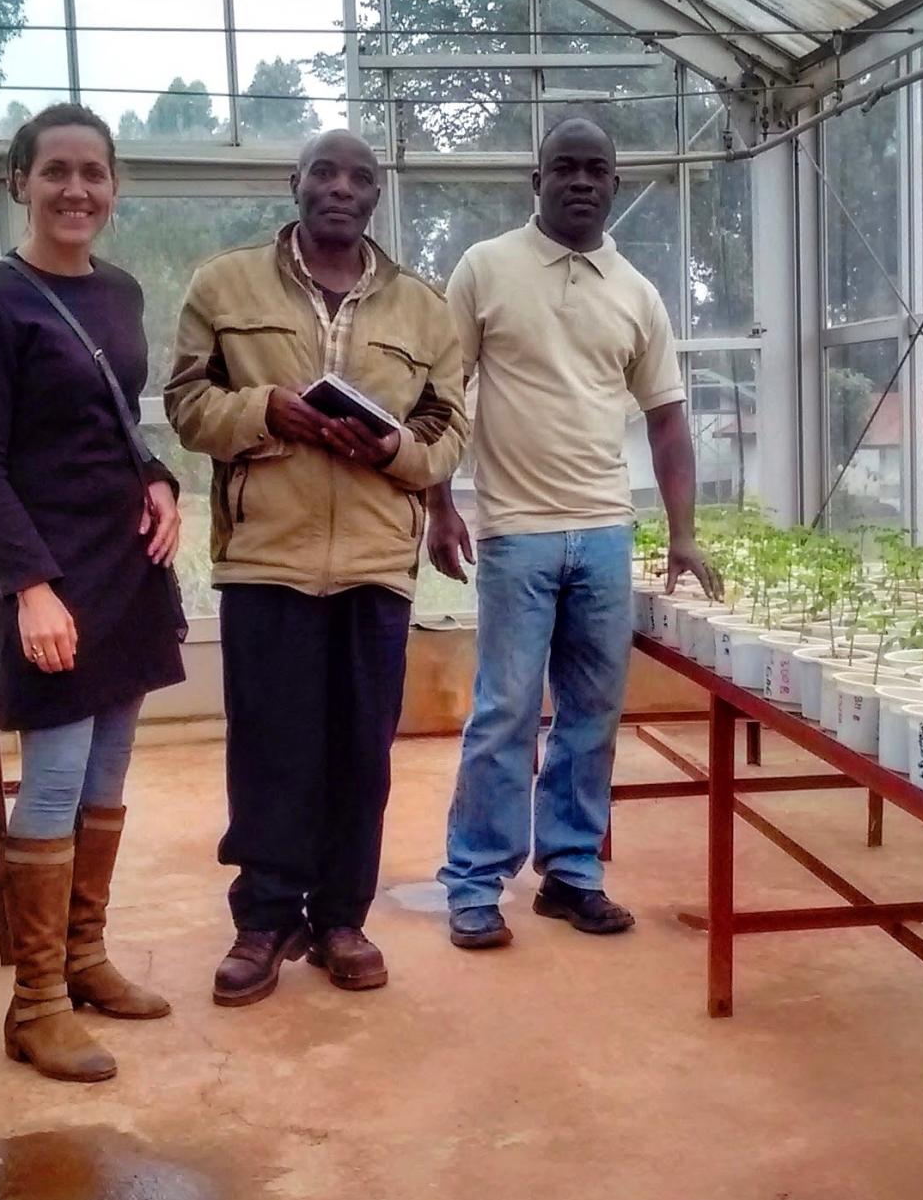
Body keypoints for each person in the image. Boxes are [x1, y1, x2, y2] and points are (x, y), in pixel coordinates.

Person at [168, 128, 468, 1007]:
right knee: (271, 751)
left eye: (359, 178)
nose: (341, 188)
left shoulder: (425, 306)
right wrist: (269, 411)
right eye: (324, 173)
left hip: (377, 561)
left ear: (377, 196)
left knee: (359, 755)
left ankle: (342, 918)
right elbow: (186, 404)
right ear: (292, 183)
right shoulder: (224, 284)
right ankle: (263, 922)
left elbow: (449, 428)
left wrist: (394, 452)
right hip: (268, 558)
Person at [429, 117, 721, 950]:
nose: (582, 181)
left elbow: (668, 421)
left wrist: (683, 534)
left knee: (592, 714)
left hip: (603, 532)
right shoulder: (486, 268)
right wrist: (440, 503)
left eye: (598, 169)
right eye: (566, 168)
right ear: (537, 180)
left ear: (615, 185)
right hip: (515, 532)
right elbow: (443, 396)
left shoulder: (636, 291)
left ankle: (572, 874)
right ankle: (476, 880)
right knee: (505, 713)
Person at [0, 103, 186, 1082]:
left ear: (114, 186)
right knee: (52, 777)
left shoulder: (120, 293)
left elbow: (117, 417)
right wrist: (31, 587)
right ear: (20, 182)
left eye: (94, 172)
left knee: (108, 774)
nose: (76, 189)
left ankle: (84, 959)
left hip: (125, 564)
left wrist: (162, 477)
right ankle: (34, 999)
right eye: (56, 171)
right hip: (49, 569)